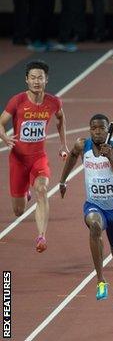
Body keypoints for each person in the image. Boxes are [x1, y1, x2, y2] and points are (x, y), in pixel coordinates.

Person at [59, 114, 113, 307]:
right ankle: (100, 280)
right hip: (94, 204)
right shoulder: (83, 145)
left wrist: (110, 158)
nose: (97, 131)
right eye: (94, 128)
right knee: (95, 226)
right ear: (90, 130)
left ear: (108, 130)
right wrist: (62, 180)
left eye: (101, 128)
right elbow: (73, 156)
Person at [0, 60, 69, 252]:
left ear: (46, 79)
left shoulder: (54, 102)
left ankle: (41, 236)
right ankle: (25, 193)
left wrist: (63, 144)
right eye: (33, 78)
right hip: (18, 159)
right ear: (26, 80)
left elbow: (61, 119)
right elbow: (1, 122)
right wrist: (5, 137)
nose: (36, 81)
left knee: (42, 189)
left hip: (39, 157)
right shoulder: (17, 101)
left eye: (40, 77)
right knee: (18, 211)